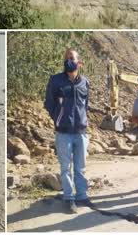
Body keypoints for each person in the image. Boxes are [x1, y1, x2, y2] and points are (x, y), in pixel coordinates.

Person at [44, 49, 91, 214]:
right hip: (63, 132)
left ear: (79, 62)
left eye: (71, 58)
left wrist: (82, 120)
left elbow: (86, 105)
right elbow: (49, 104)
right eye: (66, 58)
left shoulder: (85, 82)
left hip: (81, 132)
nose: (68, 61)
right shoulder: (56, 80)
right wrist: (58, 118)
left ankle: (82, 196)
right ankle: (69, 198)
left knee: (80, 167)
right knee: (66, 168)